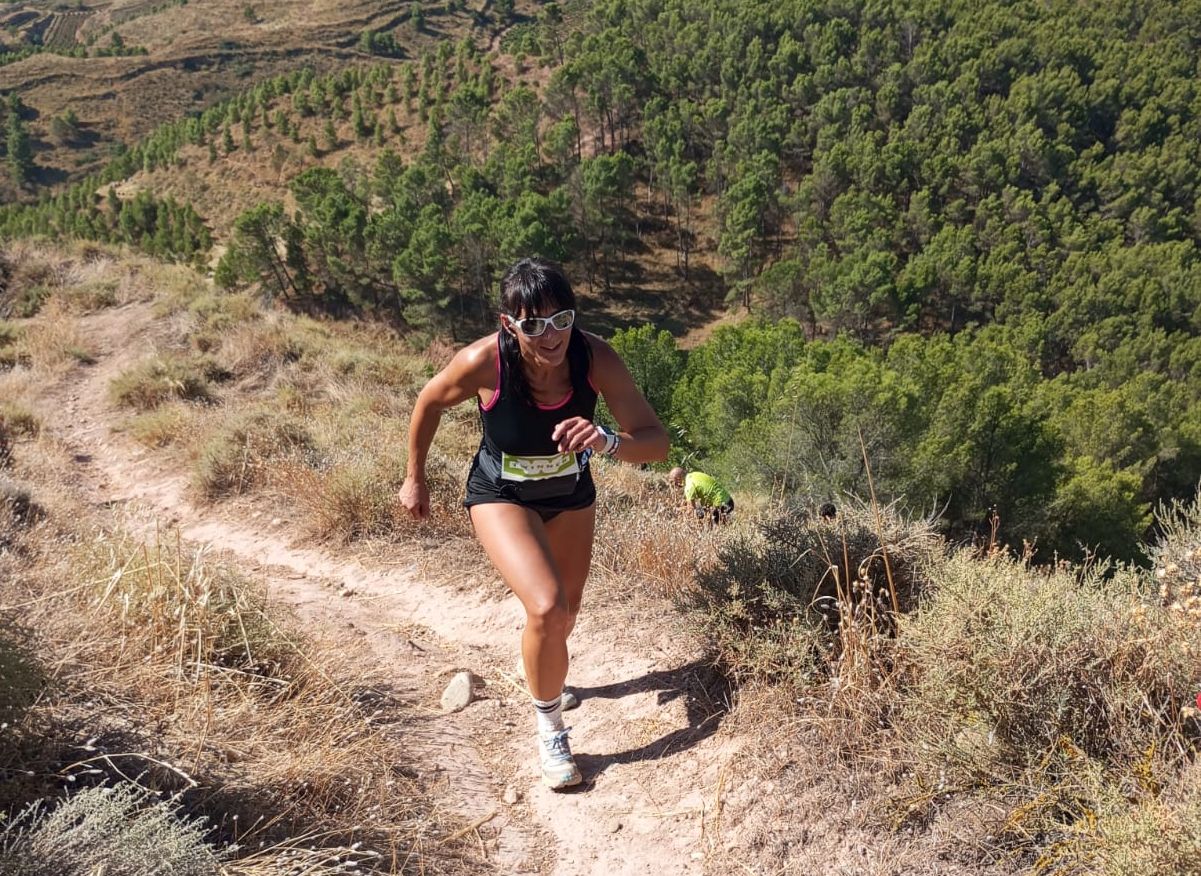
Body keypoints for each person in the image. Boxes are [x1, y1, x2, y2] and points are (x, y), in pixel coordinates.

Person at [398, 258, 669, 790]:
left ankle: (546, 672)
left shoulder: (595, 358)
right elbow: (429, 401)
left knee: (567, 611)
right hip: (501, 495)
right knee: (546, 606)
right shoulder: (484, 362)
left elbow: (655, 443)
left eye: (561, 320)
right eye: (534, 325)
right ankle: (551, 729)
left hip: (570, 495)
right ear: (509, 324)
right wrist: (415, 477)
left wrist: (606, 440)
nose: (551, 336)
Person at [668, 467, 734, 525]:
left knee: (702, 517)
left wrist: (679, 514)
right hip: (729, 501)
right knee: (703, 512)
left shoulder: (689, 486)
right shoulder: (694, 474)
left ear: (678, 478)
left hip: (722, 505)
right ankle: (728, 524)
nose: (674, 485)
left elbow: (691, 510)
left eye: (673, 482)